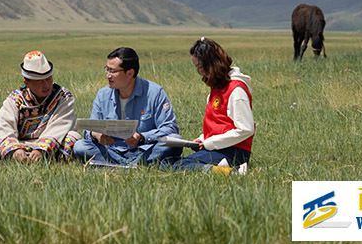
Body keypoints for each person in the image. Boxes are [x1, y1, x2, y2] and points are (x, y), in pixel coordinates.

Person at [73, 47, 182, 165]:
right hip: (112, 150)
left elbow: (170, 127)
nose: (108, 76)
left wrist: (142, 137)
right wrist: (96, 135)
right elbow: (90, 128)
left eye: (112, 71)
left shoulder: (155, 92)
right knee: (80, 146)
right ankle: (136, 164)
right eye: (107, 69)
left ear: (130, 73)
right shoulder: (102, 94)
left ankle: (118, 164)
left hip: (145, 149)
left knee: (175, 141)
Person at [173, 37, 255, 172]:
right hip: (218, 148)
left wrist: (210, 143)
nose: (199, 72)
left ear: (210, 64)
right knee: (168, 162)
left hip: (234, 151)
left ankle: (231, 171)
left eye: (199, 67)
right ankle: (218, 169)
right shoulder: (217, 88)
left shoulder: (236, 90)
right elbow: (218, 125)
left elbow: (246, 129)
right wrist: (202, 139)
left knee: (177, 165)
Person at [0, 51, 80, 162]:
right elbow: (4, 126)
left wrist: (41, 149)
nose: (46, 85)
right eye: (39, 81)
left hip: (50, 145)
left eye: (48, 79)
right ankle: (19, 158)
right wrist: (16, 150)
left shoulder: (63, 97)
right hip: (21, 144)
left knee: (73, 137)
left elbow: (60, 125)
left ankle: (47, 159)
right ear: (27, 82)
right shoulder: (15, 100)